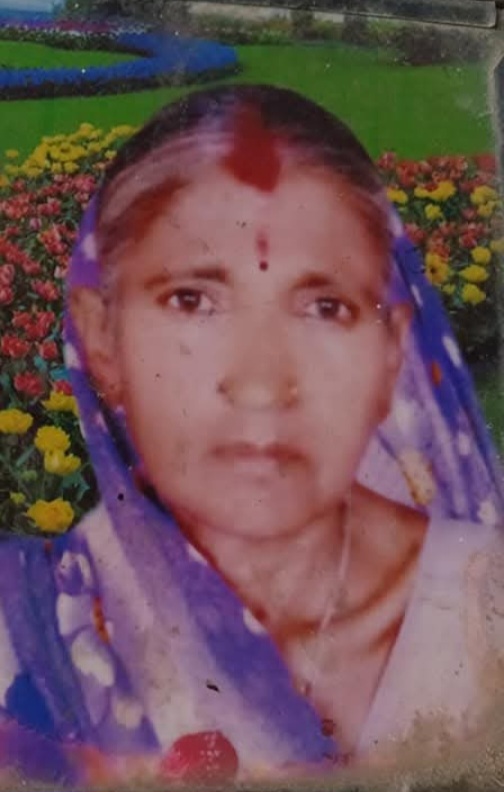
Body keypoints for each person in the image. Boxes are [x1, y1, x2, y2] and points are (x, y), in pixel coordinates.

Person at [0, 84, 503, 787]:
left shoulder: (485, 615)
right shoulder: (29, 632)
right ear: (101, 336)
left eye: (324, 306)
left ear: (392, 348)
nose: (262, 383)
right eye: (192, 300)